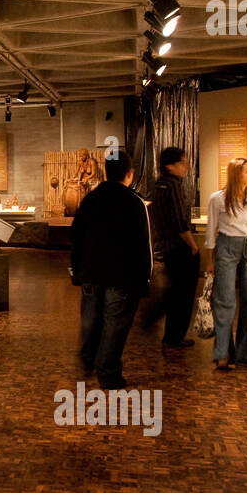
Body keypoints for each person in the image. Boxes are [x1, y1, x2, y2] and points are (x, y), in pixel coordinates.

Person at [70, 150, 153, 389]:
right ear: (129, 173)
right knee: (115, 324)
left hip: (91, 273)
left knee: (91, 319)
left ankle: (87, 361)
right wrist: (145, 278)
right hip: (122, 276)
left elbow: (77, 236)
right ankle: (107, 373)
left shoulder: (91, 199)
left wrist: (77, 270)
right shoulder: (135, 202)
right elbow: (143, 244)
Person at [205, 158, 247, 370]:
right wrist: (210, 260)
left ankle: (246, 351)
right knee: (224, 299)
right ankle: (223, 352)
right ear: (235, 174)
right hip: (226, 246)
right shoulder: (218, 198)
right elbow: (211, 230)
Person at [146, 146, 199, 349]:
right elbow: (179, 221)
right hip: (179, 247)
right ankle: (174, 336)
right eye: (182, 163)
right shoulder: (174, 185)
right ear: (170, 166)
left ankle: (169, 333)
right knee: (183, 295)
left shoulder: (159, 185)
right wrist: (193, 245)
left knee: (175, 291)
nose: (185, 167)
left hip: (166, 247)